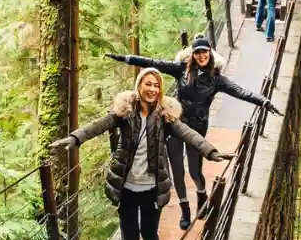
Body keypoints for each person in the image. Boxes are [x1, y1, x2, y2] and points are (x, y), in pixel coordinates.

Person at [52, 68, 230, 240]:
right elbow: (100, 125)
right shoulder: (125, 113)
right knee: (129, 236)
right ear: (139, 86)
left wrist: (211, 151)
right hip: (126, 188)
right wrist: (75, 138)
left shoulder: (165, 116)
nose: (152, 89)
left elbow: (188, 133)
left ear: (160, 90)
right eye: (148, 84)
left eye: (156, 85)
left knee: (149, 233)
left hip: (152, 189)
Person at [106, 37, 279, 230]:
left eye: (204, 52)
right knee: (177, 170)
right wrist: (125, 58)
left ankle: (201, 193)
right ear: (193, 54)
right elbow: (153, 63)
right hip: (175, 124)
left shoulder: (217, 79)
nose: (201, 55)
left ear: (210, 53)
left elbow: (241, 92)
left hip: (197, 128)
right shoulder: (181, 70)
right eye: (197, 52)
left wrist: (263, 101)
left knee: (195, 170)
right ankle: (185, 208)